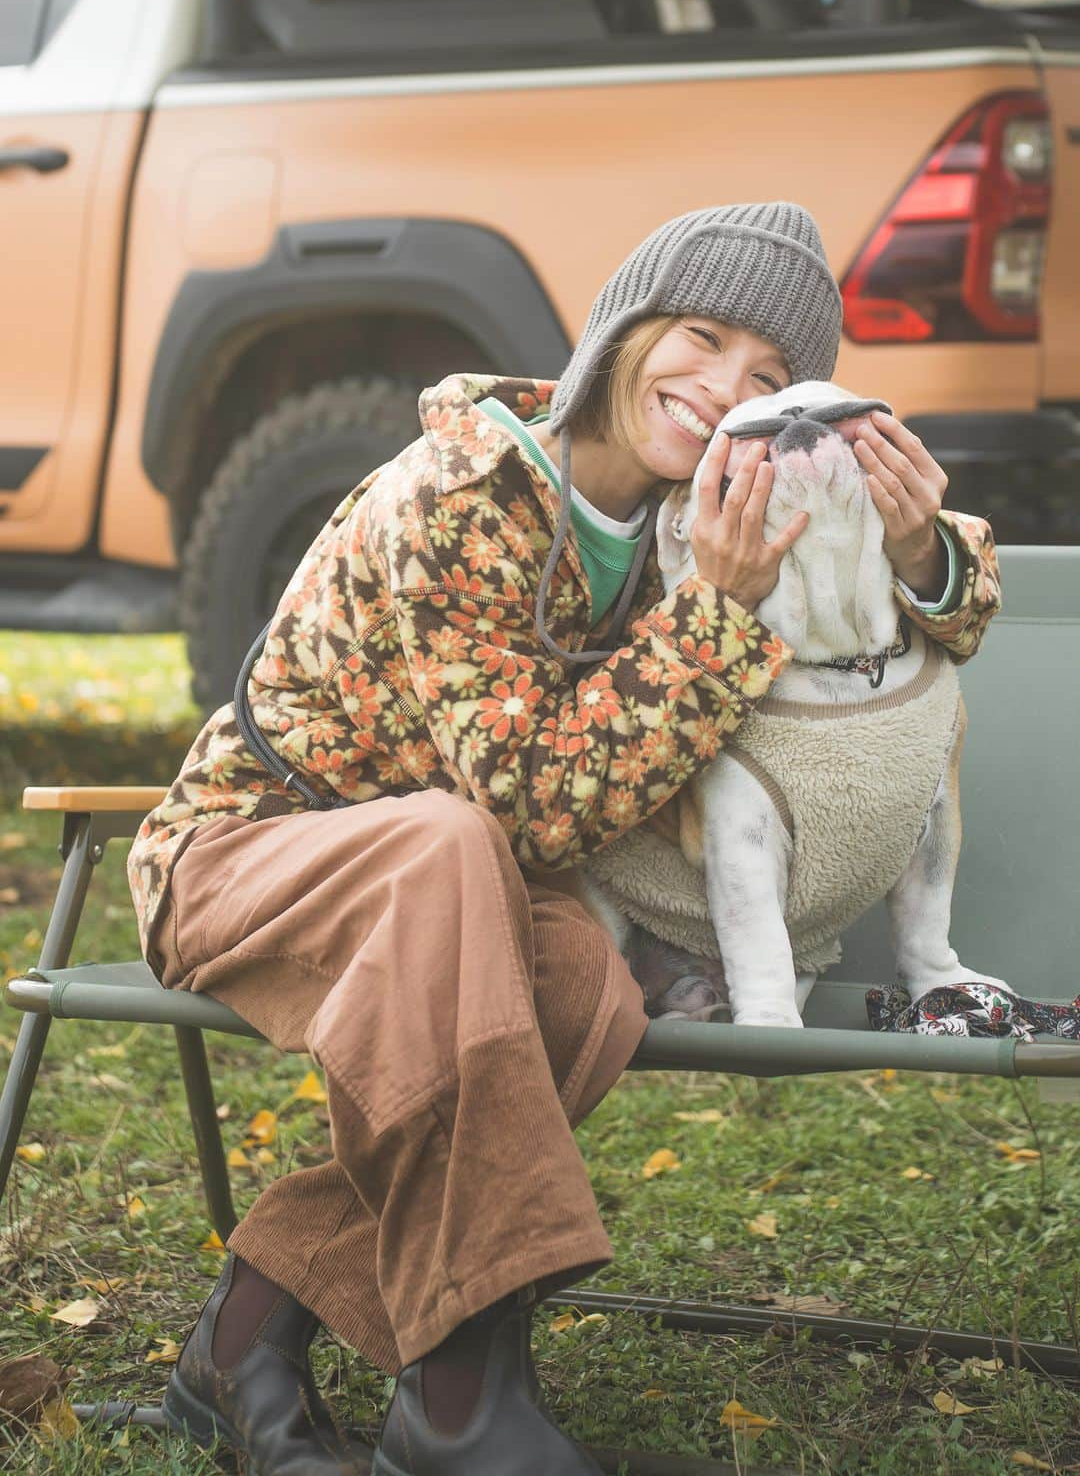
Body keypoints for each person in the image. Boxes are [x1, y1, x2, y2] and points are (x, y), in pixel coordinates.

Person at [129, 202, 1001, 1475]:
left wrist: (919, 542)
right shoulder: (460, 491)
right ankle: (464, 1397)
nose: (719, 390)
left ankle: (241, 1343)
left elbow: (955, 595)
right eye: (698, 337)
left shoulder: (696, 514)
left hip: (453, 908)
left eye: (766, 377)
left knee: (588, 985)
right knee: (446, 845)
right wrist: (721, 615)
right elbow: (527, 802)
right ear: (625, 326)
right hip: (255, 857)